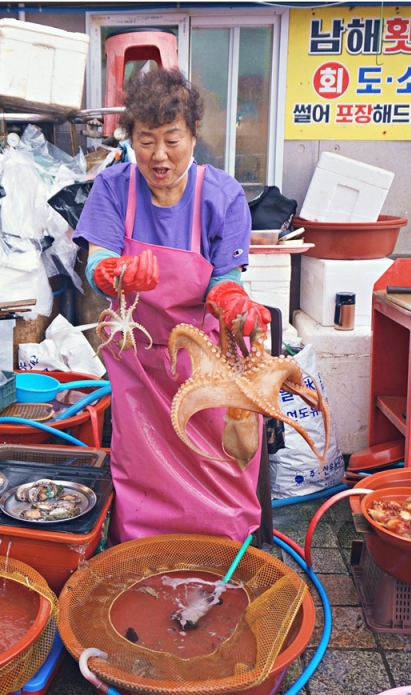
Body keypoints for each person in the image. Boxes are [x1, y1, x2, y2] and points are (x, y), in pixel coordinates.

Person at [74, 67, 271, 544]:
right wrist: (109, 272)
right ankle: (142, 559)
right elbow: (95, 258)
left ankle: (225, 557)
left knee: (224, 470)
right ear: (128, 140)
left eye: (172, 140)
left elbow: (225, 278)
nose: (159, 156)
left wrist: (232, 300)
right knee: (141, 473)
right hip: (138, 366)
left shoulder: (222, 196)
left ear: (194, 135)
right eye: (145, 141)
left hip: (209, 366)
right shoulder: (113, 188)